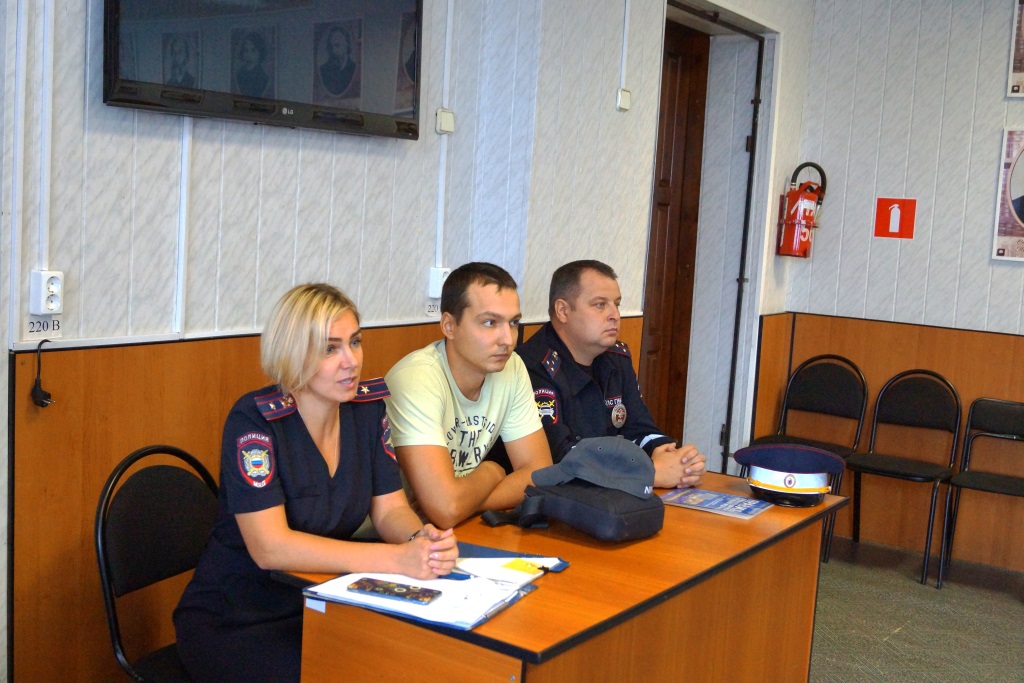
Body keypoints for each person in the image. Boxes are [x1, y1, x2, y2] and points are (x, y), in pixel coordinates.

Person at [173, 284, 457, 683]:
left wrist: (420, 542)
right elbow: (271, 548)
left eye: (354, 342)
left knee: (408, 661)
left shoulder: (365, 410)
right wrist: (396, 560)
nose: (351, 361)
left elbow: (390, 508)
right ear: (293, 353)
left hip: (319, 599)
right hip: (237, 618)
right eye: (330, 349)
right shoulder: (255, 420)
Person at [384, 262, 552, 529]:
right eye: (489, 322)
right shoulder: (416, 378)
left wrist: (465, 503)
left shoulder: (512, 367)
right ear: (449, 326)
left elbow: (540, 474)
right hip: (387, 536)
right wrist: (493, 470)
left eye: (513, 323)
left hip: (452, 524)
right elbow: (445, 509)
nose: (508, 340)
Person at [517, 260, 706, 489]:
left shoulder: (616, 358)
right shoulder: (532, 366)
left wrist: (673, 458)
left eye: (616, 304)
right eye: (600, 305)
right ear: (563, 311)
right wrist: (647, 474)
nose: (615, 315)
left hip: (608, 494)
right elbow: (560, 457)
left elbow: (639, 429)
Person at [319, 25, 356, 97]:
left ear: (347, 43)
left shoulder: (354, 68)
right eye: (331, 46)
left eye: (337, 45)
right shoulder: (324, 70)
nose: (334, 50)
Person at [235, 31, 271, 98]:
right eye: (246, 50)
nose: (248, 55)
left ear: (260, 53)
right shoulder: (239, 75)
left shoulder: (263, 78)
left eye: (253, 51)